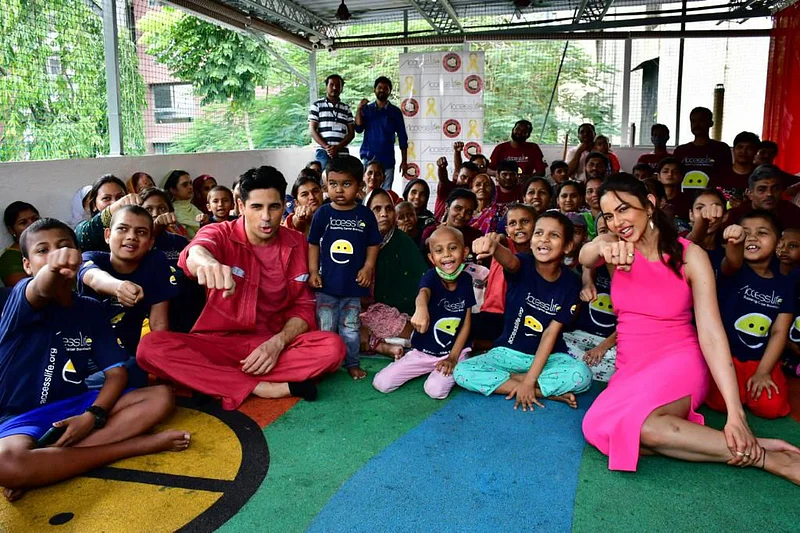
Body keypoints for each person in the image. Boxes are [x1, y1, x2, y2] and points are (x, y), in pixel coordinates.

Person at [579, 174, 800, 483]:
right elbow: (586, 253)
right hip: (632, 367)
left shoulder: (690, 256)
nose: (617, 221)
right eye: (609, 215)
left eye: (624, 209)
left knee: (643, 428)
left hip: (679, 360)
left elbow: (711, 334)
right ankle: (760, 447)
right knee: (596, 428)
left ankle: (768, 460)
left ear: (650, 204)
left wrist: (736, 413)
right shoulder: (615, 247)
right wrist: (602, 246)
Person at [0, 218, 188, 502]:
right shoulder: (21, 298)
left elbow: (116, 373)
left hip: (75, 405)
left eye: (64, 247)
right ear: (27, 266)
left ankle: (45, 465)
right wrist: (53, 267)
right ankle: (133, 446)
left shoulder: (90, 309)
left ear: (78, 254)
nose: (56, 254)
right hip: (17, 419)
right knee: (6, 464)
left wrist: (93, 415)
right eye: (43, 250)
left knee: (160, 397)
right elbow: (40, 289)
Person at [137, 166, 345, 408]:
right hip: (218, 344)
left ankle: (209, 380)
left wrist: (277, 344)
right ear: (241, 205)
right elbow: (194, 253)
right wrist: (208, 263)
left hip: (273, 344)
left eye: (274, 207)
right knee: (149, 348)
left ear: (283, 206)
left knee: (333, 348)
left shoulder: (299, 244)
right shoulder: (220, 233)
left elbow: (304, 308)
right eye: (256, 207)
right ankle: (261, 387)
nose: (266, 217)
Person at [454, 213, 592, 410]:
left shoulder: (571, 284)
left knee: (582, 375)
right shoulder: (523, 264)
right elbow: (508, 260)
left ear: (568, 246)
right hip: (508, 353)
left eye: (554, 235)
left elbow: (550, 333)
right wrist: (493, 247)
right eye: (539, 233)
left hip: (549, 357)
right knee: (462, 371)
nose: (544, 239)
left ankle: (522, 383)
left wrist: (529, 379)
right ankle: (543, 392)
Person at [704, 212, 793, 419]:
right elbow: (733, 260)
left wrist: (763, 371)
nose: (751, 238)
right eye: (746, 234)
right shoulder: (733, 270)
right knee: (720, 403)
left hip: (760, 361)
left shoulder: (785, 284)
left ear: (779, 242)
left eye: (761, 233)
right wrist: (736, 240)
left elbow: (780, 332)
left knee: (771, 408)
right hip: (724, 358)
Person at [77, 206, 177, 388]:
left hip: (123, 359)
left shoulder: (155, 262)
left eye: (141, 232)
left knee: (138, 374)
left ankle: (85, 396)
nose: (131, 236)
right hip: (84, 355)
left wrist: (164, 366)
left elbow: (159, 323)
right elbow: (93, 278)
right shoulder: (91, 257)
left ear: (151, 242)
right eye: (122, 229)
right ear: (107, 235)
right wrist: (118, 287)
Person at [373, 226, 474, 399]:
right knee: (381, 383)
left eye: (453, 248)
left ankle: (459, 363)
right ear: (432, 258)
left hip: (454, 351)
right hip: (424, 351)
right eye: (439, 250)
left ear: (464, 252)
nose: (447, 254)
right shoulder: (430, 277)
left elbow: (466, 322)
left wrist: (453, 357)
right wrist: (420, 309)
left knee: (435, 390)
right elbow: (423, 293)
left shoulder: (466, 280)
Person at [308, 156, 382, 380]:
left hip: (353, 287)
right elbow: (312, 243)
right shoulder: (322, 213)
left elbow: (373, 243)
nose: (339, 190)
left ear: (360, 186)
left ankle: (352, 363)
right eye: (333, 184)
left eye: (346, 184)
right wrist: (313, 272)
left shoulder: (365, 215)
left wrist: (368, 267)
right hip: (326, 286)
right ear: (326, 185)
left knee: (350, 328)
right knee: (326, 327)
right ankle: (324, 364)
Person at [359, 189, 427, 358]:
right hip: (360, 310)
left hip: (402, 311)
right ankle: (382, 344)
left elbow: (424, 280)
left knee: (415, 332)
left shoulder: (403, 242)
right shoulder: (357, 241)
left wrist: (421, 308)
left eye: (389, 209)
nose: (384, 214)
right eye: (377, 209)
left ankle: (380, 342)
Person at [139, 188, 203, 334]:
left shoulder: (180, 242)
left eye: (162, 208)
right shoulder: (136, 243)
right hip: (151, 312)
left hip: (183, 308)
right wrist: (154, 228)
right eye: (148, 209)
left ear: (171, 212)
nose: (155, 214)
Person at [564, 214, 617, 382]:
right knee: (554, 346)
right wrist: (586, 282)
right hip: (580, 335)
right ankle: (580, 368)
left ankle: (578, 370)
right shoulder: (588, 268)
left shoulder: (632, 270)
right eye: (603, 231)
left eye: (612, 232)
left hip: (611, 342)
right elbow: (587, 264)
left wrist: (602, 347)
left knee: (619, 363)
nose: (607, 237)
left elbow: (631, 321)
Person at [471, 204, 535, 345]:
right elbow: (498, 240)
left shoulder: (538, 254)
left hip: (519, 316)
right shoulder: (503, 245)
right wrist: (493, 240)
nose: (518, 227)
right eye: (513, 223)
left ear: (536, 226)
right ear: (507, 230)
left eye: (525, 221)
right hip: (491, 312)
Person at [354, 77, 409, 190]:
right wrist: (359, 109)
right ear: (374, 90)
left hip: (387, 160)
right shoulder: (367, 109)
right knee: (365, 192)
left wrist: (404, 161)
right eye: (379, 87)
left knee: (385, 193)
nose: (382, 90)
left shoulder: (395, 112)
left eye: (385, 88)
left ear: (389, 91)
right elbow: (358, 128)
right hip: (368, 158)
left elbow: (402, 137)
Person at [724, 165, 800, 232]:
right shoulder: (736, 215)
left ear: (781, 191)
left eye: (775, 189)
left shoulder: (793, 212)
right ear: (750, 193)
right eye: (762, 189)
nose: (769, 194)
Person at [75, 175, 139, 253]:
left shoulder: (137, 227)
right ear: (94, 205)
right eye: (106, 198)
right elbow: (83, 236)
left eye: (120, 197)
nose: (115, 202)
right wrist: (115, 207)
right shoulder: (83, 229)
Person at [673, 107, 733, 186]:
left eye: (701, 120)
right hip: (684, 196)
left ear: (711, 123)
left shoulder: (721, 149)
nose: (697, 124)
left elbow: (727, 176)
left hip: (712, 196)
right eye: (693, 121)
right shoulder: (680, 151)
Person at [421, 189, 481, 264]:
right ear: (447, 207)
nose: (462, 215)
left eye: (468, 212)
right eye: (458, 208)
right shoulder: (431, 231)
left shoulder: (475, 236)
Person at [309, 74, 355, 170]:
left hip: (342, 153)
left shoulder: (346, 108)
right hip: (323, 152)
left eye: (338, 85)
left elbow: (351, 134)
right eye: (331, 85)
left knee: (342, 181)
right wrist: (327, 148)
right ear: (326, 87)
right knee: (323, 180)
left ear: (342, 88)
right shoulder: (317, 105)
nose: (334, 88)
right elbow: (312, 130)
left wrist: (337, 147)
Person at [686, 188, 727, 278]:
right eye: (700, 208)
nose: (709, 213)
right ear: (691, 215)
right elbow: (694, 238)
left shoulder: (725, 254)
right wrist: (703, 220)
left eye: (715, 208)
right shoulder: (680, 241)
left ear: (725, 216)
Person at [1, 202, 40, 287]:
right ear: (11, 230)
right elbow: (25, 290)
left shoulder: (52, 247)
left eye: (35, 219)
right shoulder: (10, 258)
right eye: (23, 222)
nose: (32, 225)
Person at [716, 131, 759, 206]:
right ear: (733, 150)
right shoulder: (719, 173)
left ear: (756, 152)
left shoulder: (761, 175)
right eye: (740, 147)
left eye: (749, 148)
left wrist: (744, 207)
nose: (743, 151)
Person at [163, 170, 203, 239]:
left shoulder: (194, 208)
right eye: (185, 185)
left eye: (190, 183)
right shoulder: (172, 212)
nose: (190, 187)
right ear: (173, 190)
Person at [283, 172, 324, 237]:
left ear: (322, 193)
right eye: (304, 194)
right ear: (296, 202)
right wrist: (298, 220)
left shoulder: (333, 214)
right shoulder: (293, 221)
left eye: (315, 191)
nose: (312, 197)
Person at [657, 157, 692, 231]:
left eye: (675, 171)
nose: (670, 174)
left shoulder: (689, 201)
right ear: (658, 177)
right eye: (665, 171)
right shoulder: (653, 200)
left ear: (681, 177)